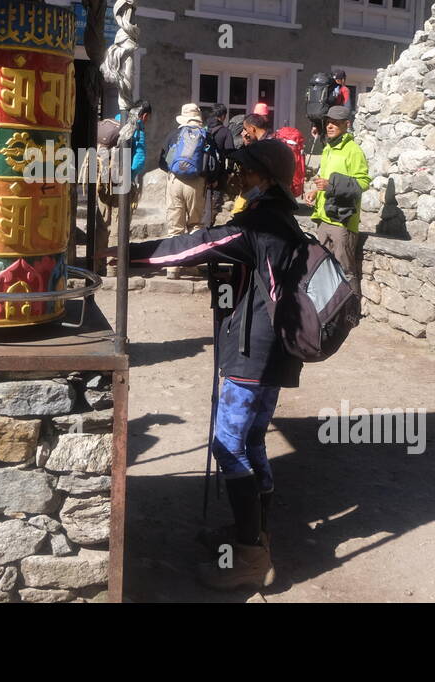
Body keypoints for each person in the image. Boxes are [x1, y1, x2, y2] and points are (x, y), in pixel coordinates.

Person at [115, 140, 307, 591]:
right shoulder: (283, 221)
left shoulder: (257, 224)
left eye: (245, 171)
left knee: (228, 446)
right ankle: (254, 536)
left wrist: (127, 253)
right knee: (252, 441)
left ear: (265, 178)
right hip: (275, 351)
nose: (237, 177)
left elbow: (195, 246)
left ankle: (249, 557)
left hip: (250, 354)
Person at [304, 105, 369, 297]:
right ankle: (329, 308)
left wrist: (331, 185)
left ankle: (352, 310)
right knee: (322, 267)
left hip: (343, 222)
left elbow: (363, 183)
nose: (330, 126)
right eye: (328, 122)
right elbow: (324, 179)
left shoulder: (354, 151)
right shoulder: (328, 149)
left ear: (346, 125)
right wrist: (315, 191)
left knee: (346, 270)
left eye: (336, 122)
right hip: (324, 218)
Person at [96, 99, 151, 271]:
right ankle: (113, 268)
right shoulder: (137, 128)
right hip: (121, 181)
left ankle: (96, 265)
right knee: (119, 224)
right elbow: (140, 159)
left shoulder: (113, 122)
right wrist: (129, 176)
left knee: (102, 222)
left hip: (102, 179)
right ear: (145, 115)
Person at [158, 102, 208, 278]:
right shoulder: (205, 135)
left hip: (175, 182)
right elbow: (213, 162)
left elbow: (163, 162)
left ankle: (173, 267)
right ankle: (191, 265)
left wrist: (175, 171)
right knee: (195, 225)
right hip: (196, 183)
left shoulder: (175, 134)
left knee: (175, 228)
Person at [231, 113, 274, 214]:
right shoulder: (266, 141)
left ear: (253, 128)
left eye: (246, 129)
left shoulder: (264, 146)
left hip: (262, 192)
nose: (244, 132)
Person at [203, 104, 234, 226]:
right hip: (217, 173)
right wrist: (229, 172)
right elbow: (230, 153)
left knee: (201, 201)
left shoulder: (203, 129)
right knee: (213, 204)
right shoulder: (225, 132)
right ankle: (208, 227)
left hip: (201, 172)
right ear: (223, 116)